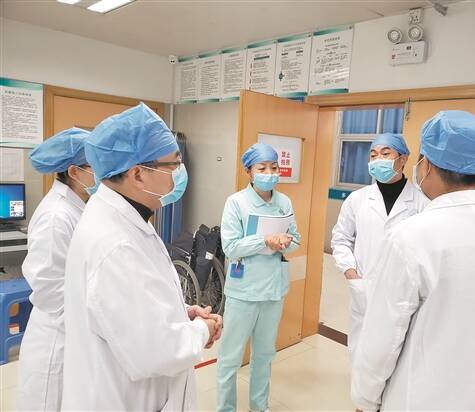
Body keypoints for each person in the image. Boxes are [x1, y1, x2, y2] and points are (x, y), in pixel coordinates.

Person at [351, 110, 475, 411]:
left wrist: (365, 399)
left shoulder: (411, 237)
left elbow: (382, 341)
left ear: (426, 165)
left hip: (425, 400)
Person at [61, 103, 222, 411]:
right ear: (138, 174)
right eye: (174, 165)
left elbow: (139, 303)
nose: (180, 174)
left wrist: (183, 313)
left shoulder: (128, 219)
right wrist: (204, 329)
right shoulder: (115, 243)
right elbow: (156, 351)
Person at [15, 127, 98, 411]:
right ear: (74, 171)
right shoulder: (55, 216)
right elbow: (50, 290)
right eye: (95, 165)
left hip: (73, 336)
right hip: (56, 341)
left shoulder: (77, 208)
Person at [217, 143, 300, 412]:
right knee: (230, 358)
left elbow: (296, 240)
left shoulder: (284, 202)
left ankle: (259, 407)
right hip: (243, 291)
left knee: (264, 355)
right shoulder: (236, 202)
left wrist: (285, 242)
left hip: (273, 290)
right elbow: (231, 248)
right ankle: (226, 408)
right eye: (262, 168)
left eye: (274, 167)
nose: (269, 173)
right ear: (249, 172)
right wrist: (265, 240)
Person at [331, 133, 429, 360]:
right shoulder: (357, 199)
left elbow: (427, 251)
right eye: (373, 155)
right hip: (364, 287)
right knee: (361, 351)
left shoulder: (422, 203)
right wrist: (351, 273)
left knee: (399, 354)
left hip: (403, 293)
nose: (378, 160)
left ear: (403, 159)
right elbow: (341, 238)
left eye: (386, 154)